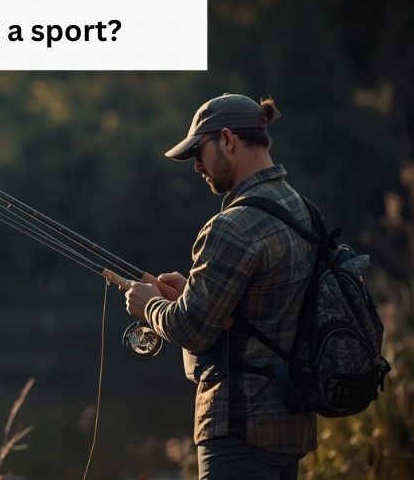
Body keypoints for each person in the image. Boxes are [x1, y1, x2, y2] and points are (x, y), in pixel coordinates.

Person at [120, 94, 317, 479]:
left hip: (239, 432)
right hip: (291, 427)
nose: (196, 165)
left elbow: (192, 328)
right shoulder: (302, 210)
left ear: (228, 140)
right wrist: (189, 295)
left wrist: (149, 306)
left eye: (199, 151)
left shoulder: (233, 226)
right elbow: (264, 307)